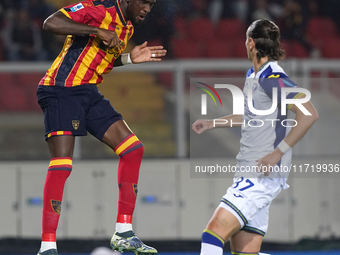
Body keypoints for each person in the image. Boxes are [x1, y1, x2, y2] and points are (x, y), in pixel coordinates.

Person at [36, 0, 166, 255]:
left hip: (88, 91)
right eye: (144, 2)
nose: (148, 9)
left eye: (152, 4)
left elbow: (101, 60)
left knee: (133, 150)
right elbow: (50, 23)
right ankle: (47, 246)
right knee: (62, 164)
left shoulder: (127, 29)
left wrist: (129, 59)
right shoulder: (97, 9)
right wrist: (97, 30)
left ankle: (124, 232)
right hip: (61, 88)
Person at [192, 19, 318, 255]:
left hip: (260, 176)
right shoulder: (255, 74)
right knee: (243, 252)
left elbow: (309, 114)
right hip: (253, 173)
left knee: (213, 233)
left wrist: (277, 152)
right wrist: (213, 123)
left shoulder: (271, 78)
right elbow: (252, 115)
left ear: (250, 42)